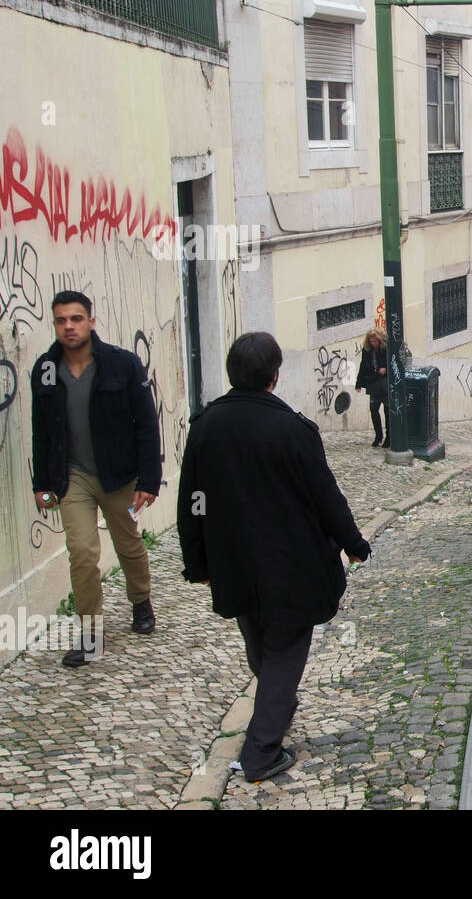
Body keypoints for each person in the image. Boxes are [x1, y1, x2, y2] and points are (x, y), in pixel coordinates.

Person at [178, 332, 371, 782]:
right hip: (290, 563)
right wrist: (354, 545)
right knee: (284, 650)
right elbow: (326, 497)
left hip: (234, 563)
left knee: (260, 640)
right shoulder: (292, 430)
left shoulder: (205, 427)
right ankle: (262, 752)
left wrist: (198, 562)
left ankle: (275, 708)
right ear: (274, 375)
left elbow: (192, 501)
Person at [30, 290, 161, 667]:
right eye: (60, 320)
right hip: (72, 478)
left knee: (128, 543)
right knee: (83, 554)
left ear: (90, 321)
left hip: (118, 473)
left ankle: (141, 601)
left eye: (75, 318)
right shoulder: (46, 369)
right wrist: (42, 483)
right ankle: (90, 637)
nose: (68, 327)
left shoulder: (123, 365)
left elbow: (146, 425)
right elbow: (42, 430)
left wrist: (148, 480)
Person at [354, 328, 388, 448]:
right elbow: (363, 366)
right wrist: (358, 383)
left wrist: (386, 370)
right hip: (373, 382)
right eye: (371, 341)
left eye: (375, 341)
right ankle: (378, 436)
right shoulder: (367, 350)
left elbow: (393, 363)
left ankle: (388, 437)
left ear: (380, 340)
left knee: (387, 410)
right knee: (374, 410)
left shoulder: (385, 349)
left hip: (384, 383)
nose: (374, 343)